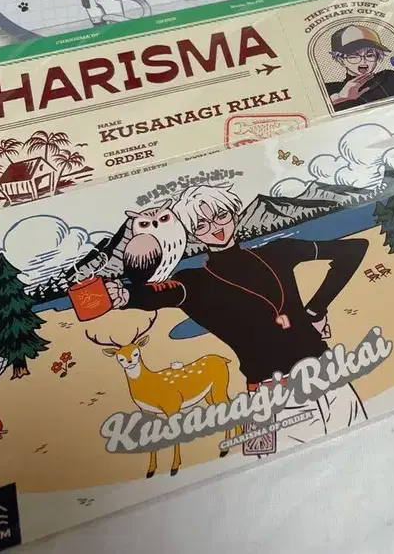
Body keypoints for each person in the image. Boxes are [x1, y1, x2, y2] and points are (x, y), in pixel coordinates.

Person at [106, 185, 368, 449]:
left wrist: (315, 309)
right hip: (274, 397)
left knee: (364, 445)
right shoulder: (193, 282)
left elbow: (354, 250)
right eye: (201, 225)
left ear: (234, 213)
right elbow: (161, 293)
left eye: (221, 215)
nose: (215, 227)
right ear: (192, 234)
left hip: (330, 378)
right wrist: (126, 296)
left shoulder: (278, 251)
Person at [325, 25, 394, 111]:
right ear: (341, 60)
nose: (363, 61)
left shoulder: (390, 78)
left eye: (370, 55)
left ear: (377, 57)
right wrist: (339, 97)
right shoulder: (330, 89)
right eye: (354, 56)